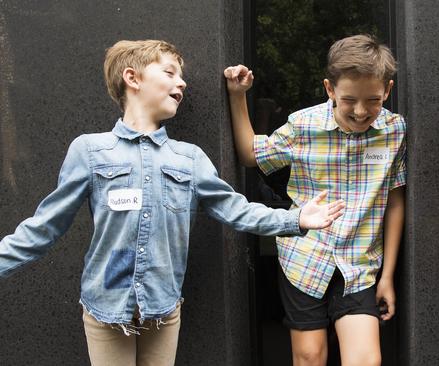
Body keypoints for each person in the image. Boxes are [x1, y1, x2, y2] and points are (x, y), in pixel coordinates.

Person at [0, 39, 344, 366]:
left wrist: (294, 219)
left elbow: (236, 210)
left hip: (163, 309)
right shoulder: (89, 151)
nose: (181, 83)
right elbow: (45, 226)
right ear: (132, 78)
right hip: (105, 307)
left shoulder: (189, 158)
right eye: (169, 72)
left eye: (181, 76)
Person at [224, 34, 406, 366]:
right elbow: (251, 155)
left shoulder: (394, 131)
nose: (362, 111)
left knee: (365, 360)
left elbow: (394, 201)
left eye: (374, 99)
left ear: (388, 91)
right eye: (349, 99)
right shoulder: (303, 126)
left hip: (360, 263)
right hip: (306, 259)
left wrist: (388, 276)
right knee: (309, 357)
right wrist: (238, 96)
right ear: (330, 89)